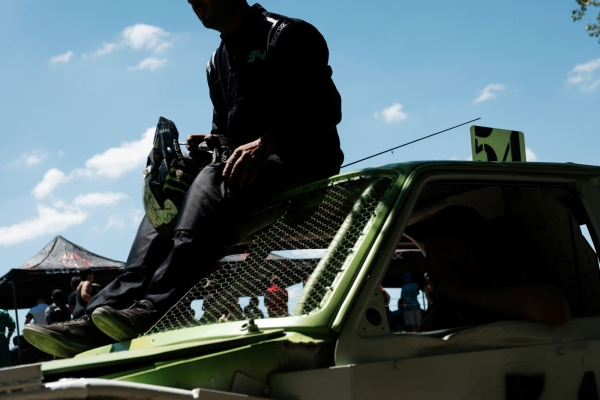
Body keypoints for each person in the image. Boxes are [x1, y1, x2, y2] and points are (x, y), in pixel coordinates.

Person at [24, 0, 343, 357]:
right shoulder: (215, 62)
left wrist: (267, 142)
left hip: (302, 163)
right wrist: (213, 143)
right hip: (241, 172)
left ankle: (153, 308)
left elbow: (326, 108)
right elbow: (225, 133)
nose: (194, 2)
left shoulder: (287, 34)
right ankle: (96, 316)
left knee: (209, 179)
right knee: (172, 189)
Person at [404, 206, 571, 332]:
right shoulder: (443, 309)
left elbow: (554, 308)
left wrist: (464, 294)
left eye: (431, 254)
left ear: (459, 254)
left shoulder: (510, 289)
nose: (426, 266)